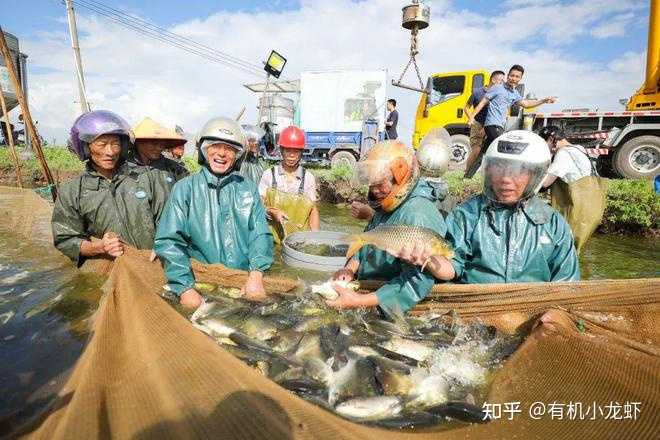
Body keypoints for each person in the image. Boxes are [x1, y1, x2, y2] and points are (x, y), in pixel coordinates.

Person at [394, 130, 580, 284]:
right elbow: (453, 266)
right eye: (499, 167)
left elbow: (567, 284)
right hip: (473, 311)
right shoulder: (467, 215)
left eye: (518, 171)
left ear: (534, 175)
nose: (506, 178)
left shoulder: (553, 224)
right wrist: (430, 261)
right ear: (488, 170)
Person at [154, 117, 274, 308]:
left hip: (243, 282)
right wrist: (185, 288)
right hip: (200, 284)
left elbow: (260, 235)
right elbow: (169, 241)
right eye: (215, 146)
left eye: (229, 149)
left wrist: (256, 274)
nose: (221, 153)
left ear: (237, 155)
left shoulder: (248, 189)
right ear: (204, 150)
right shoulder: (184, 189)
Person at [328, 140, 447, 315]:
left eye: (380, 184)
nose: (374, 190)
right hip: (370, 292)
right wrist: (349, 269)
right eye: (371, 184)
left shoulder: (417, 215)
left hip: (393, 309)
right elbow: (368, 242)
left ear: (400, 175)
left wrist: (359, 301)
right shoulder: (386, 204)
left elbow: (415, 283)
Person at [52, 110, 171, 266]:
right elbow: (65, 239)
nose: (110, 152)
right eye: (102, 144)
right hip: (110, 269)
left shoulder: (148, 177)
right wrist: (98, 247)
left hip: (153, 263)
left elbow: (169, 218)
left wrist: (164, 243)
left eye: (115, 144)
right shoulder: (72, 191)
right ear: (86, 147)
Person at [468, 65, 557, 173]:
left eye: (517, 77)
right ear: (508, 76)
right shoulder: (497, 88)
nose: (514, 79)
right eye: (512, 76)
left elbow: (526, 104)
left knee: (483, 152)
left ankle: (468, 175)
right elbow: (482, 103)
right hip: (492, 124)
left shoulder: (514, 93)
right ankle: (507, 174)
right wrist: (471, 117)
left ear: (520, 79)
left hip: (500, 125)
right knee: (506, 148)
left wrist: (543, 100)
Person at [539, 125, 607, 254]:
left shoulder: (564, 153)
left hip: (576, 207)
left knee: (564, 250)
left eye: (544, 143)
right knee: (574, 249)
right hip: (590, 208)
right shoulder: (579, 149)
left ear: (551, 139)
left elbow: (545, 183)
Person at [258, 125, 320, 243]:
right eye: (288, 150)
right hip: (272, 239)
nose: (291, 155)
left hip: (299, 241)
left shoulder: (308, 178)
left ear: (301, 152)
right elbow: (258, 205)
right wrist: (271, 212)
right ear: (281, 150)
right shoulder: (269, 175)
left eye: (296, 151)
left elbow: (313, 210)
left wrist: (315, 239)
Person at [463, 70, 505, 178]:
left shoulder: (499, 94)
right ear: (493, 80)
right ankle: (466, 173)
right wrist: (471, 119)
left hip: (491, 125)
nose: (502, 84)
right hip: (478, 124)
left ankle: (484, 175)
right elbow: (466, 107)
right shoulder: (477, 92)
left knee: (489, 151)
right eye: (501, 81)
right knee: (476, 149)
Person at [130, 117, 189, 183]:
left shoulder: (173, 168)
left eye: (161, 144)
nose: (159, 148)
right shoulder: (125, 170)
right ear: (138, 142)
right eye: (154, 143)